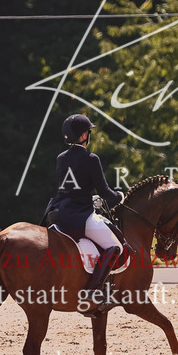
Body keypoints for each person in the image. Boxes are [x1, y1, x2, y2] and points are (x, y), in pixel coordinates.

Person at [42, 114, 123, 309]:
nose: (88, 134)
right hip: (79, 215)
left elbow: (72, 188)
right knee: (115, 247)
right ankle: (94, 289)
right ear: (82, 136)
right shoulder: (91, 158)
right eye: (87, 131)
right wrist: (119, 197)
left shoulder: (60, 158)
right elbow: (105, 192)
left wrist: (90, 197)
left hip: (57, 211)